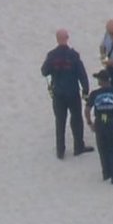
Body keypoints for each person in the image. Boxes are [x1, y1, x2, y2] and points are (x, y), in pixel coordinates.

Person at [41, 29, 94, 159]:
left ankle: (60, 150)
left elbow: (44, 71)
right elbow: (82, 74)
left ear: (57, 39)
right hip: (72, 92)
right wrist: (85, 89)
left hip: (58, 93)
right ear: (67, 38)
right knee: (76, 119)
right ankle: (78, 146)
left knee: (60, 121)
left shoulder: (52, 55)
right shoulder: (74, 55)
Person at [85, 69, 113, 184]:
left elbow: (87, 109)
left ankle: (107, 173)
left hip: (100, 121)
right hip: (112, 121)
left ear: (101, 80)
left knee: (103, 148)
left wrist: (90, 122)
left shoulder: (95, 94)